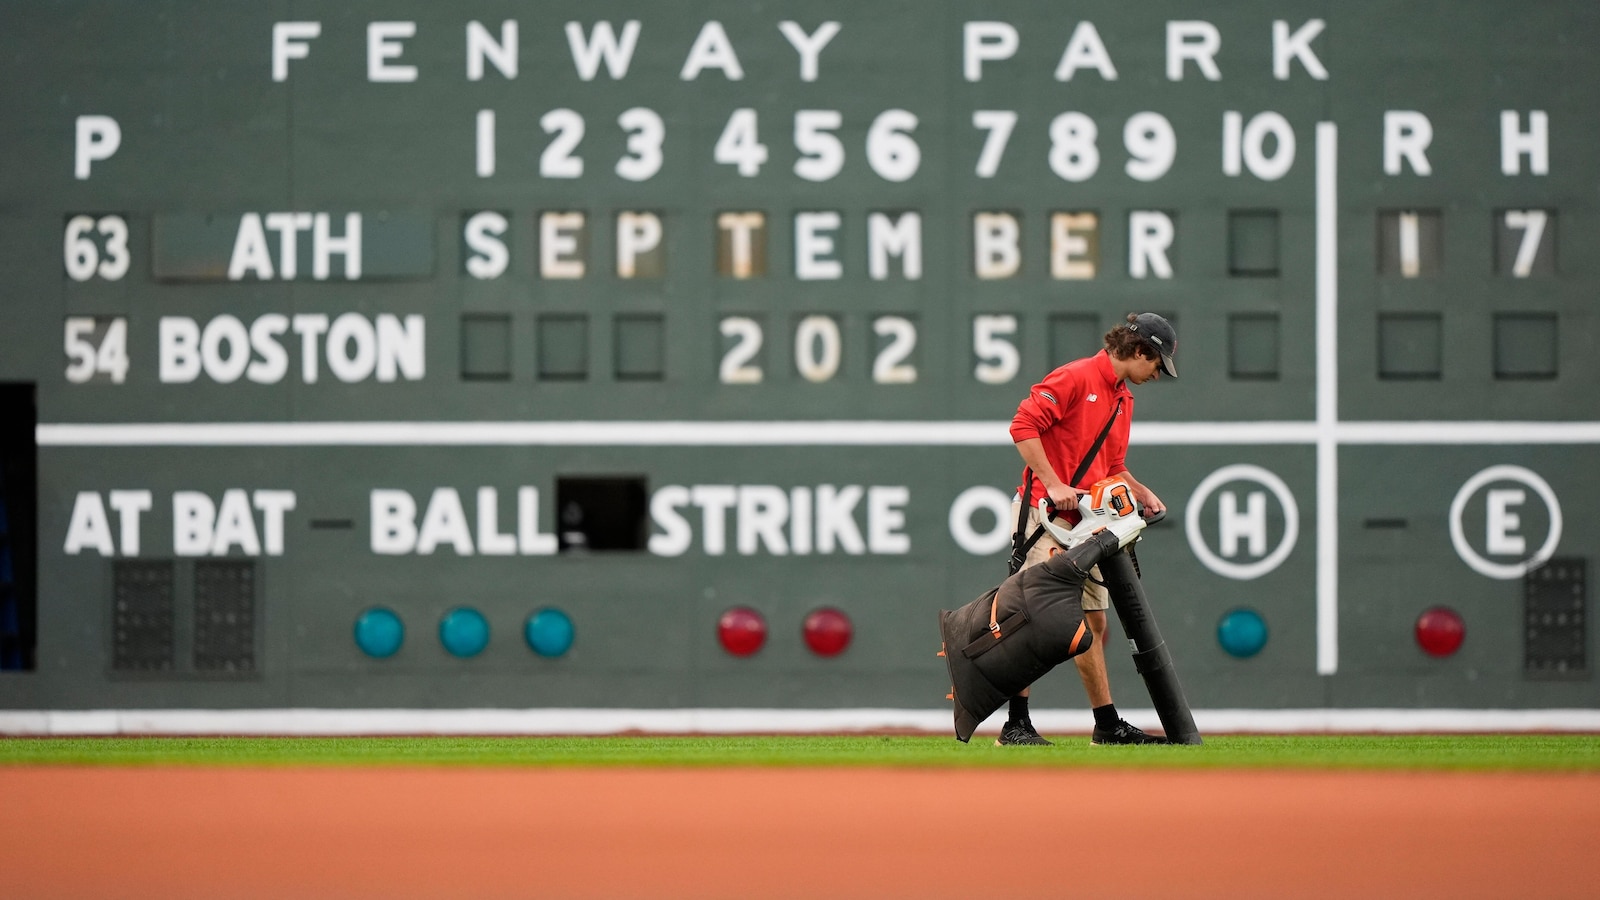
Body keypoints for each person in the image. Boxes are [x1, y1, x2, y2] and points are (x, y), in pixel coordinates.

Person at [997, 312, 1177, 746]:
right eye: (1157, 365)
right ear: (1140, 352)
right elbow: (1022, 427)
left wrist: (1140, 488)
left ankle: (1106, 724)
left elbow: (1111, 466)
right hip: (1046, 518)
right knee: (1032, 620)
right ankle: (1015, 724)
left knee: (1094, 624)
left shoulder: (1123, 399)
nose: (1157, 375)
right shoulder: (1075, 376)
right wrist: (1055, 484)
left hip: (1091, 524)